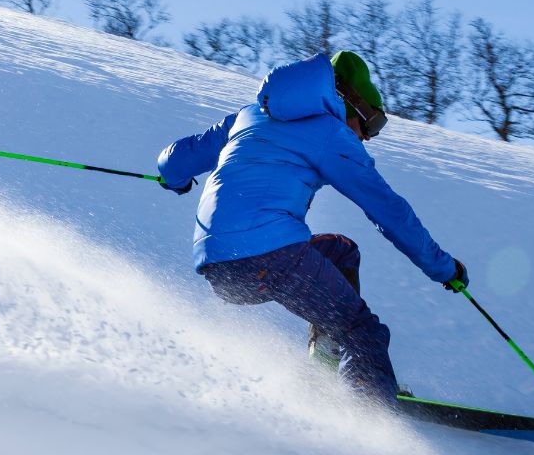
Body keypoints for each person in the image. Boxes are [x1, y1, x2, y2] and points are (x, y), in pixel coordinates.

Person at [157, 51, 468, 406]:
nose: (368, 137)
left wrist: (175, 180)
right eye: (372, 124)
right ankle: (370, 413)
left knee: (341, 251)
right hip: (270, 255)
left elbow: (175, 159)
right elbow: (388, 211)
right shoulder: (331, 134)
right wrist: (443, 268)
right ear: (352, 104)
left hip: (219, 268)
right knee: (362, 331)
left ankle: (325, 369)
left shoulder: (249, 115)